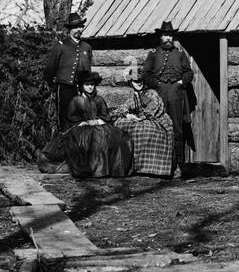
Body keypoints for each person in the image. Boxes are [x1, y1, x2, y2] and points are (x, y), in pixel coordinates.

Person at [141, 20, 197, 177]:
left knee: (177, 130)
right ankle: (160, 167)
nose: (168, 38)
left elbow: (189, 72)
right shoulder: (153, 54)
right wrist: (157, 84)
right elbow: (146, 73)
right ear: (160, 37)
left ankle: (178, 165)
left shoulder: (180, 54)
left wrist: (181, 82)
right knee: (158, 128)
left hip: (176, 93)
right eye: (165, 35)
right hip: (159, 94)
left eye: (170, 35)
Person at [56, 71, 131, 179]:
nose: (90, 87)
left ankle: (108, 169)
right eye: (87, 85)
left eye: (92, 85)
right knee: (89, 140)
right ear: (82, 86)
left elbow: (105, 115)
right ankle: (92, 169)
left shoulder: (99, 100)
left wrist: (98, 121)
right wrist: (85, 122)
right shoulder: (76, 100)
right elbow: (71, 117)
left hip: (99, 126)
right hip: (81, 128)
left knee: (113, 139)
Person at [115, 67, 175, 178]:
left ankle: (151, 168)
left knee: (146, 130)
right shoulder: (133, 96)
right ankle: (132, 166)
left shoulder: (151, 93)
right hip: (141, 119)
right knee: (120, 124)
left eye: (140, 81)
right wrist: (128, 114)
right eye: (135, 81)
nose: (138, 84)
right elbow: (123, 107)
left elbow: (154, 108)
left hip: (157, 119)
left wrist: (141, 117)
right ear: (131, 83)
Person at [43, 12, 92, 132]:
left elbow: (89, 69)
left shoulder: (86, 47)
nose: (79, 29)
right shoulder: (61, 46)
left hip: (81, 89)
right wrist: (54, 86)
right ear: (69, 29)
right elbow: (50, 69)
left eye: (80, 26)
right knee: (65, 119)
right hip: (65, 88)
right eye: (75, 27)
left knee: (82, 119)